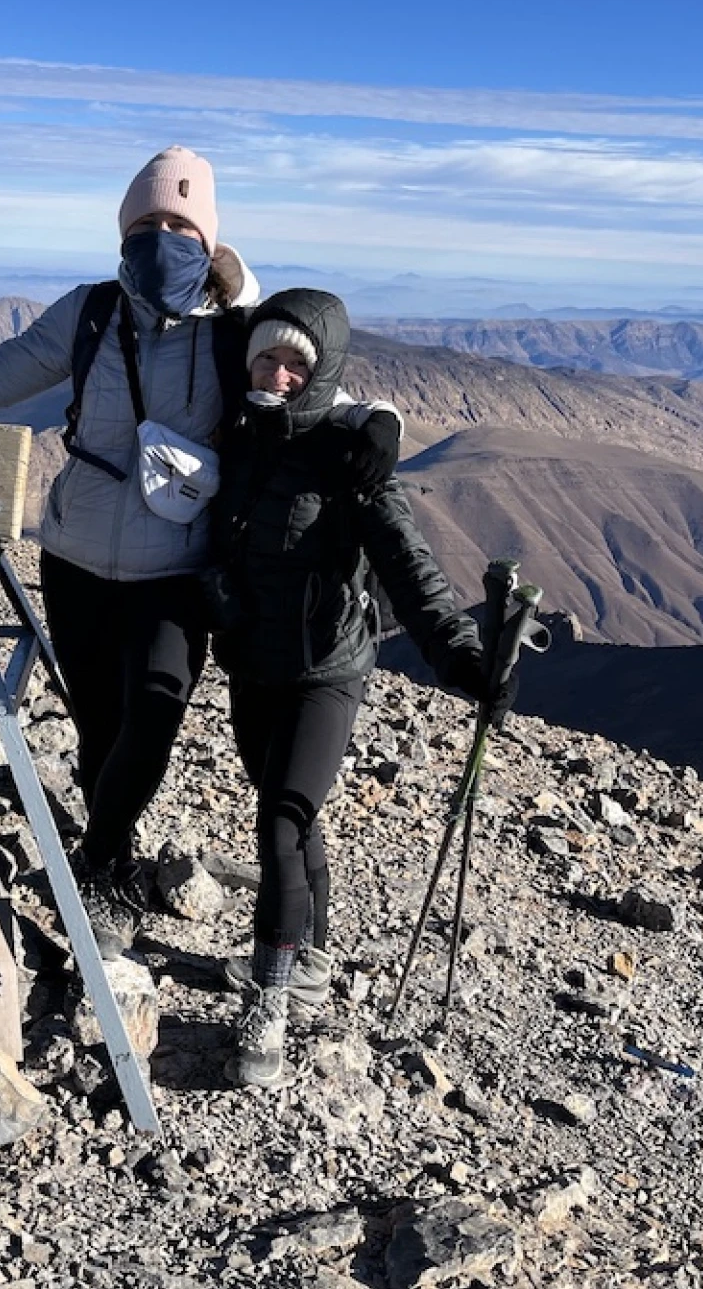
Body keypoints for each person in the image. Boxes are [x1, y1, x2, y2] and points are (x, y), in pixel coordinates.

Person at [0, 147, 262, 957]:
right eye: (146, 222)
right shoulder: (89, 314)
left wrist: (376, 427)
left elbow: (308, 382)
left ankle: (94, 860)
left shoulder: (236, 334)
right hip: (74, 556)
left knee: (154, 717)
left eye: (179, 224)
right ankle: (113, 860)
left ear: (208, 237)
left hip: (177, 566)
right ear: (122, 230)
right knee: (98, 726)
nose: (160, 236)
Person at [201, 288, 510, 1089]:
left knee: (280, 822)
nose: (276, 372)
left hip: (325, 673)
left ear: (322, 372)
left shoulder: (351, 459)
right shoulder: (237, 438)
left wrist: (460, 657)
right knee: (290, 815)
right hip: (252, 666)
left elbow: (411, 570)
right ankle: (313, 955)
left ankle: (269, 1001)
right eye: (265, 356)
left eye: (295, 363)